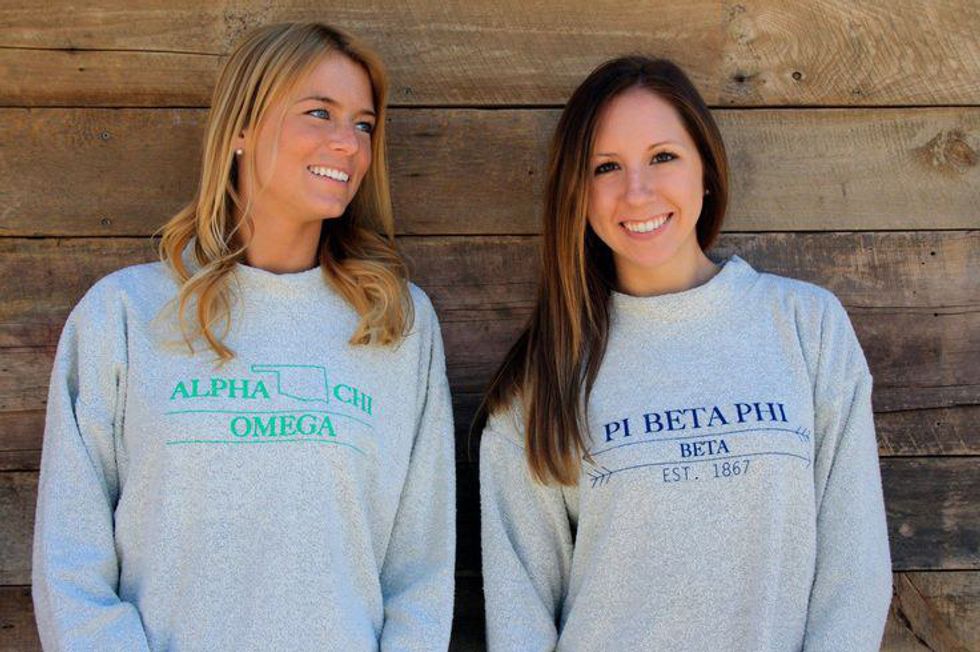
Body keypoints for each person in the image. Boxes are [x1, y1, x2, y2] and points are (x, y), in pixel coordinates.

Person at [32, 22, 455, 651]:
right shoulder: (124, 314)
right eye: (320, 113)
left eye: (364, 125)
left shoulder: (395, 323)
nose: (348, 144)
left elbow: (420, 572)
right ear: (241, 129)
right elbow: (69, 563)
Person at [478, 56, 891, 651]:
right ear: (578, 193)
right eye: (606, 166)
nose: (637, 191)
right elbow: (520, 610)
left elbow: (855, 569)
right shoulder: (543, 377)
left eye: (663, 157)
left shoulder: (806, 325)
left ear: (706, 170)